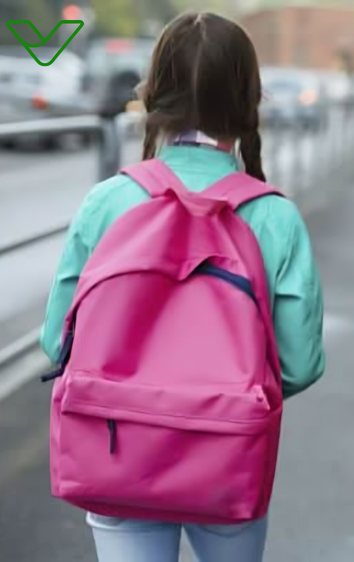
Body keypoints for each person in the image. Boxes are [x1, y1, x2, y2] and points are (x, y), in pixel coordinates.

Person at [40, 12, 325, 562]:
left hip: (116, 451)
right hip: (226, 459)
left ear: (154, 93)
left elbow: (58, 345)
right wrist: (217, 406)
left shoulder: (108, 202)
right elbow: (300, 364)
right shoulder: (272, 216)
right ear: (249, 98)